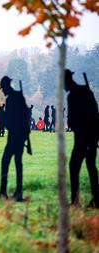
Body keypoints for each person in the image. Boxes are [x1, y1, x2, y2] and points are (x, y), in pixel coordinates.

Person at [65, 69, 98, 208]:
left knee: (74, 166)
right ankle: (96, 199)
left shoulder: (72, 96)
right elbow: (95, 112)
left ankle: (75, 200)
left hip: (82, 137)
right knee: (91, 166)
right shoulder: (86, 91)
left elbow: (72, 120)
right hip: (92, 135)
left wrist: (73, 124)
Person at [0, 76, 30, 202]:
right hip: (18, 135)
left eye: (3, 88)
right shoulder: (17, 97)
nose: (3, 91)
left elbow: (13, 120)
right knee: (17, 163)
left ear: (6, 87)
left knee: (7, 161)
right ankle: (15, 192)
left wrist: (4, 118)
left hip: (15, 136)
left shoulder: (12, 99)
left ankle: (6, 191)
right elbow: (25, 115)